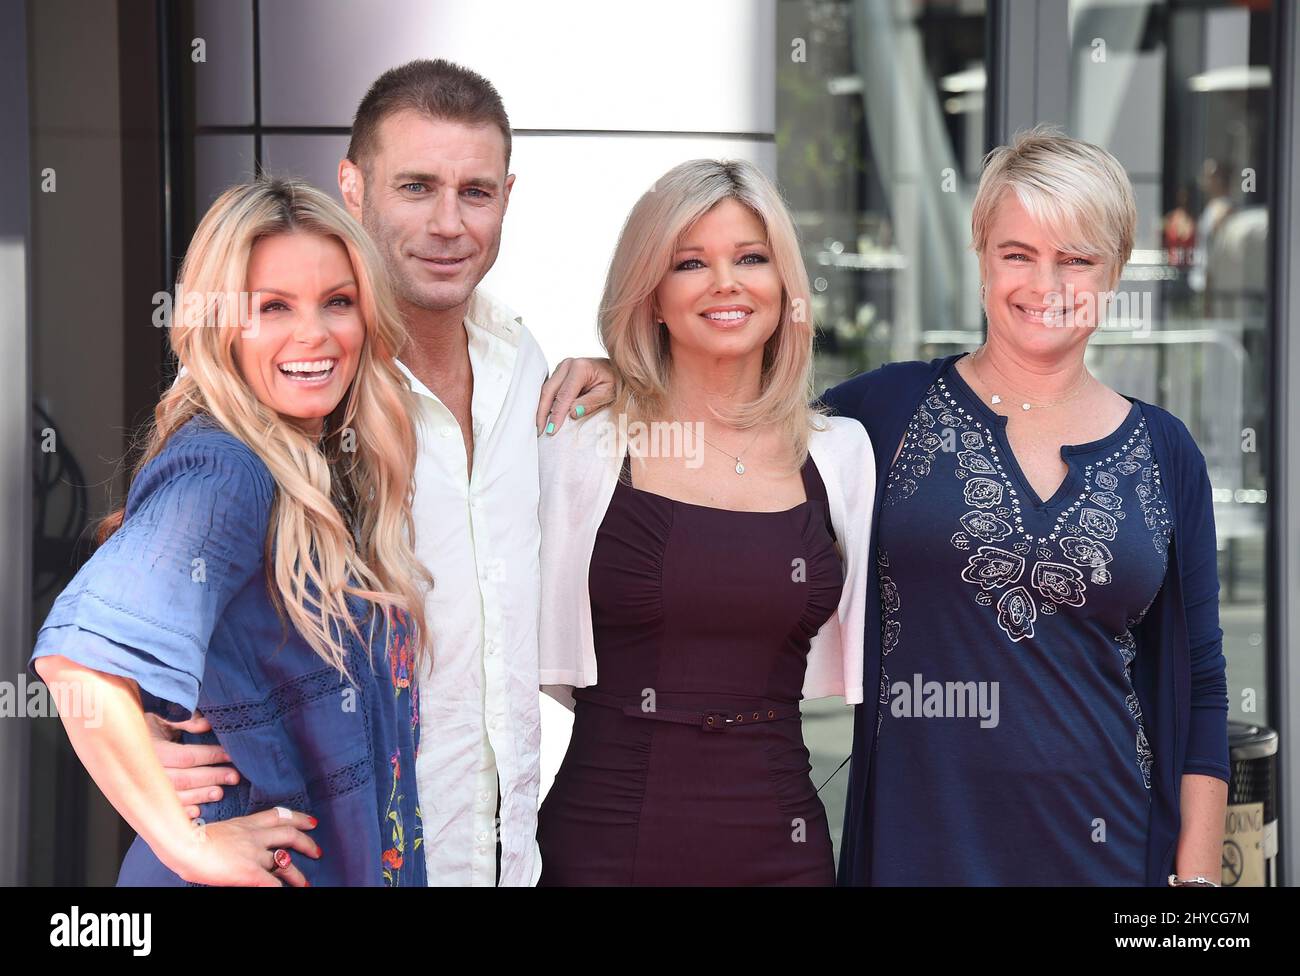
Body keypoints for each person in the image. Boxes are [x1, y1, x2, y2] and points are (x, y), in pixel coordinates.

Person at [151, 59, 614, 886]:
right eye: (416, 187)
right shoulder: (284, 379)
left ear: (508, 195)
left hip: (499, 860)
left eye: (475, 192)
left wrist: (639, 380)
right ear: (353, 187)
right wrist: (148, 740)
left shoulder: (524, 363)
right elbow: (133, 597)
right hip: (342, 859)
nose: (448, 223)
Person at [824, 127, 1230, 886]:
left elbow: (1203, 683)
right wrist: (629, 377)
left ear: (1111, 274)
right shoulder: (883, 412)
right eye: (1019, 253)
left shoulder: (1166, 452)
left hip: (1111, 857)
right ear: (981, 256)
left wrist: (1197, 886)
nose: (1048, 284)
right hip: (921, 853)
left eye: (1076, 259)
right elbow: (740, 433)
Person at [30, 177, 431, 886]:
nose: (314, 334)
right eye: (271, 307)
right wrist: (191, 848)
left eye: (337, 302)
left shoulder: (322, 466)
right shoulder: (226, 470)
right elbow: (80, 662)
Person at [534, 159, 874, 885]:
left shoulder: (841, 454)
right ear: (652, 296)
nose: (727, 283)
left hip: (782, 842)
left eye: (751, 258)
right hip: (608, 836)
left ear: (784, 286)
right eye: (691, 263)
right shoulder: (579, 445)